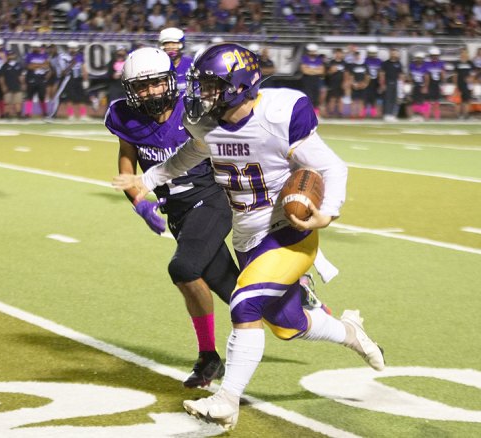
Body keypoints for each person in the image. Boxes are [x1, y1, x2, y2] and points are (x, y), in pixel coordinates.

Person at [113, 43, 385, 430]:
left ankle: (226, 400)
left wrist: (328, 211)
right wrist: (147, 180)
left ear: (237, 85)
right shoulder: (209, 123)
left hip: (288, 230)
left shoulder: (279, 113)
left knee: (243, 304)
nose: (200, 95)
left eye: (209, 86)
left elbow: (331, 167)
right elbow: (190, 155)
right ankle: (350, 333)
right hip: (249, 236)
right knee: (287, 324)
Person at [105, 47, 238, 388]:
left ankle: (208, 356)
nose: (149, 92)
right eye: (141, 86)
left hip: (209, 200)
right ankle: (298, 299)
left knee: (183, 267)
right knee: (238, 293)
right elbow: (126, 160)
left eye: (155, 83)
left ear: (169, 81)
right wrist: (139, 202)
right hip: (176, 211)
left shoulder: (193, 109)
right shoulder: (125, 116)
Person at [48, 41, 90, 120]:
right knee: (69, 98)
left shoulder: (80, 56)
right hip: (68, 79)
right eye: (71, 48)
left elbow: (83, 68)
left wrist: (85, 80)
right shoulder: (65, 56)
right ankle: (71, 114)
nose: (72, 50)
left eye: (74, 48)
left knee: (81, 98)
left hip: (78, 78)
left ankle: (83, 114)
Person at [158, 27, 193, 92]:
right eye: (167, 44)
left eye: (174, 44)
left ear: (181, 45)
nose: (171, 47)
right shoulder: (157, 65)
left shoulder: (191, 64)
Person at [23, 42, 51, 118]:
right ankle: (28, 113)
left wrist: (35, 65)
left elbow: (46, 66)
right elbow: (29, 67)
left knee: (42, 96)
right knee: (29, 96)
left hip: (41, 78)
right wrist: (40, 65)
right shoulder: (29, 55)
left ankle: (45, 113)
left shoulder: (44, 55)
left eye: (37, 47)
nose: (35, 48)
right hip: (31, 77)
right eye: (34, 47)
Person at [299, 43, 325, 117]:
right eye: (311, 51)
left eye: (314, 51)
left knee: (316, 97)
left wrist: (310, 70)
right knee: (308, 97)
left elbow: (322, 71)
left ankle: (315, 114)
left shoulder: (319, 60)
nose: (313, 53)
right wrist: (315, 70)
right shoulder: (304, 58)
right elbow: (304, 70)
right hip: (307, 80)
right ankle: (306, 113)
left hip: (316, 80)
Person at [379, 47, 403, 122]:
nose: (394, 54)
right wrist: (382, 84)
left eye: (395, 52)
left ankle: (393, 115)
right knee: (387, 99)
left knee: (394, 99)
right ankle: (387, 114)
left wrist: (401, 85)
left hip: (396, 83)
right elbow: (382, 74)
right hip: (388, 82)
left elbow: (400, 75)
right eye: (392, 52)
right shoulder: (385, 63)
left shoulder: (398, 63)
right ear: (390, 54)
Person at [0, 50, 25, 118]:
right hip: (8, 86)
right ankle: (7, 114)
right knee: (7, 102)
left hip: (17, 86)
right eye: (9, 55)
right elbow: (1, 77)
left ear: (15, 56)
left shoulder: (18, 65)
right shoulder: (4, 66)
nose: (11, 56)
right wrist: (3, 86)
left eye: (12, 55)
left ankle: (19, 114)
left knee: (18, 101)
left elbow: (21, 76)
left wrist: (23, 84)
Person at [453, 47, 475, 119]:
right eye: (462, 52)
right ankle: (458, 116)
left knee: (466, 101)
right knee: (458, 102)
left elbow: (473, 75)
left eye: (465, 52)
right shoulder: (457, 63)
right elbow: (455, 75)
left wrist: (471, 82)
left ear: (467, 53)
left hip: (467, 86)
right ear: (460, 53)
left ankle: (466, 116)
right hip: (459, 85)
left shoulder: (470, 63)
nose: (464, 54)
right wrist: (456, 86)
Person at [325, 47, 347, 118]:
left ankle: (340, 113)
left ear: (342, 54)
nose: (338, 55)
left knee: (340, 98)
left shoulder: (344, 63)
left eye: (340, 53)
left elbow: (347, 74)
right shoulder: (331, 62)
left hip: (341, 83)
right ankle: (331, 113)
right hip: (333, 83)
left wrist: (345, 82)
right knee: (332, 98)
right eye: (337, 53)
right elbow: (327, 73)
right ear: (335, 54)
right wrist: (331, 71)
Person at [425, 46, 445, 120]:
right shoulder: (427, 64)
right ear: (430, 56)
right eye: (433, 56)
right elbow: (426, 75)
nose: (434, 57)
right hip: (430, 84)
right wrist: (426, 86)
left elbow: (443, 74)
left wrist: (443, 84)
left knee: (436, 101)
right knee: (427, 101)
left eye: (436, 56)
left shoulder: (441, 63)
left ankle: (437, 116)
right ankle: (427, 116)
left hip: (437, 84)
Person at [363, 45, 382, 118]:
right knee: (365, 98)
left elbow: (380, 72)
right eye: (370, 53)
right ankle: (364, 113)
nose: (372, 55)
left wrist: (380, 83)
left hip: (375, 81)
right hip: (367, 81)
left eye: (373, 53)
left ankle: (373, 114)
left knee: (374, 99)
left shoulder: (379, 61)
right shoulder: (364, 60)